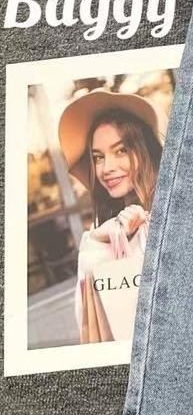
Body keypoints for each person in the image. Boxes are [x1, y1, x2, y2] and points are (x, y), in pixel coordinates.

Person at [57, 90, 165, 343]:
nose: (106, 168)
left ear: (146, 149)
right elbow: (89, 320)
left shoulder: (171, 217)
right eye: (98, 157)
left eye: (121, 150)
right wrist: (98, 241)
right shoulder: (105, 227)